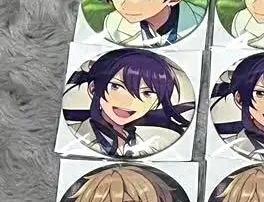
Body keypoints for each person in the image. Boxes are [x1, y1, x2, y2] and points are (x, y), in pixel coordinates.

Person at [62, 49, 193, 158]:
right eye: (116, 86)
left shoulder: (149, 145)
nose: (129, 101)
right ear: (93, 89)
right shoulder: (76, 135)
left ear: (155, 104)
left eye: (147, 93)